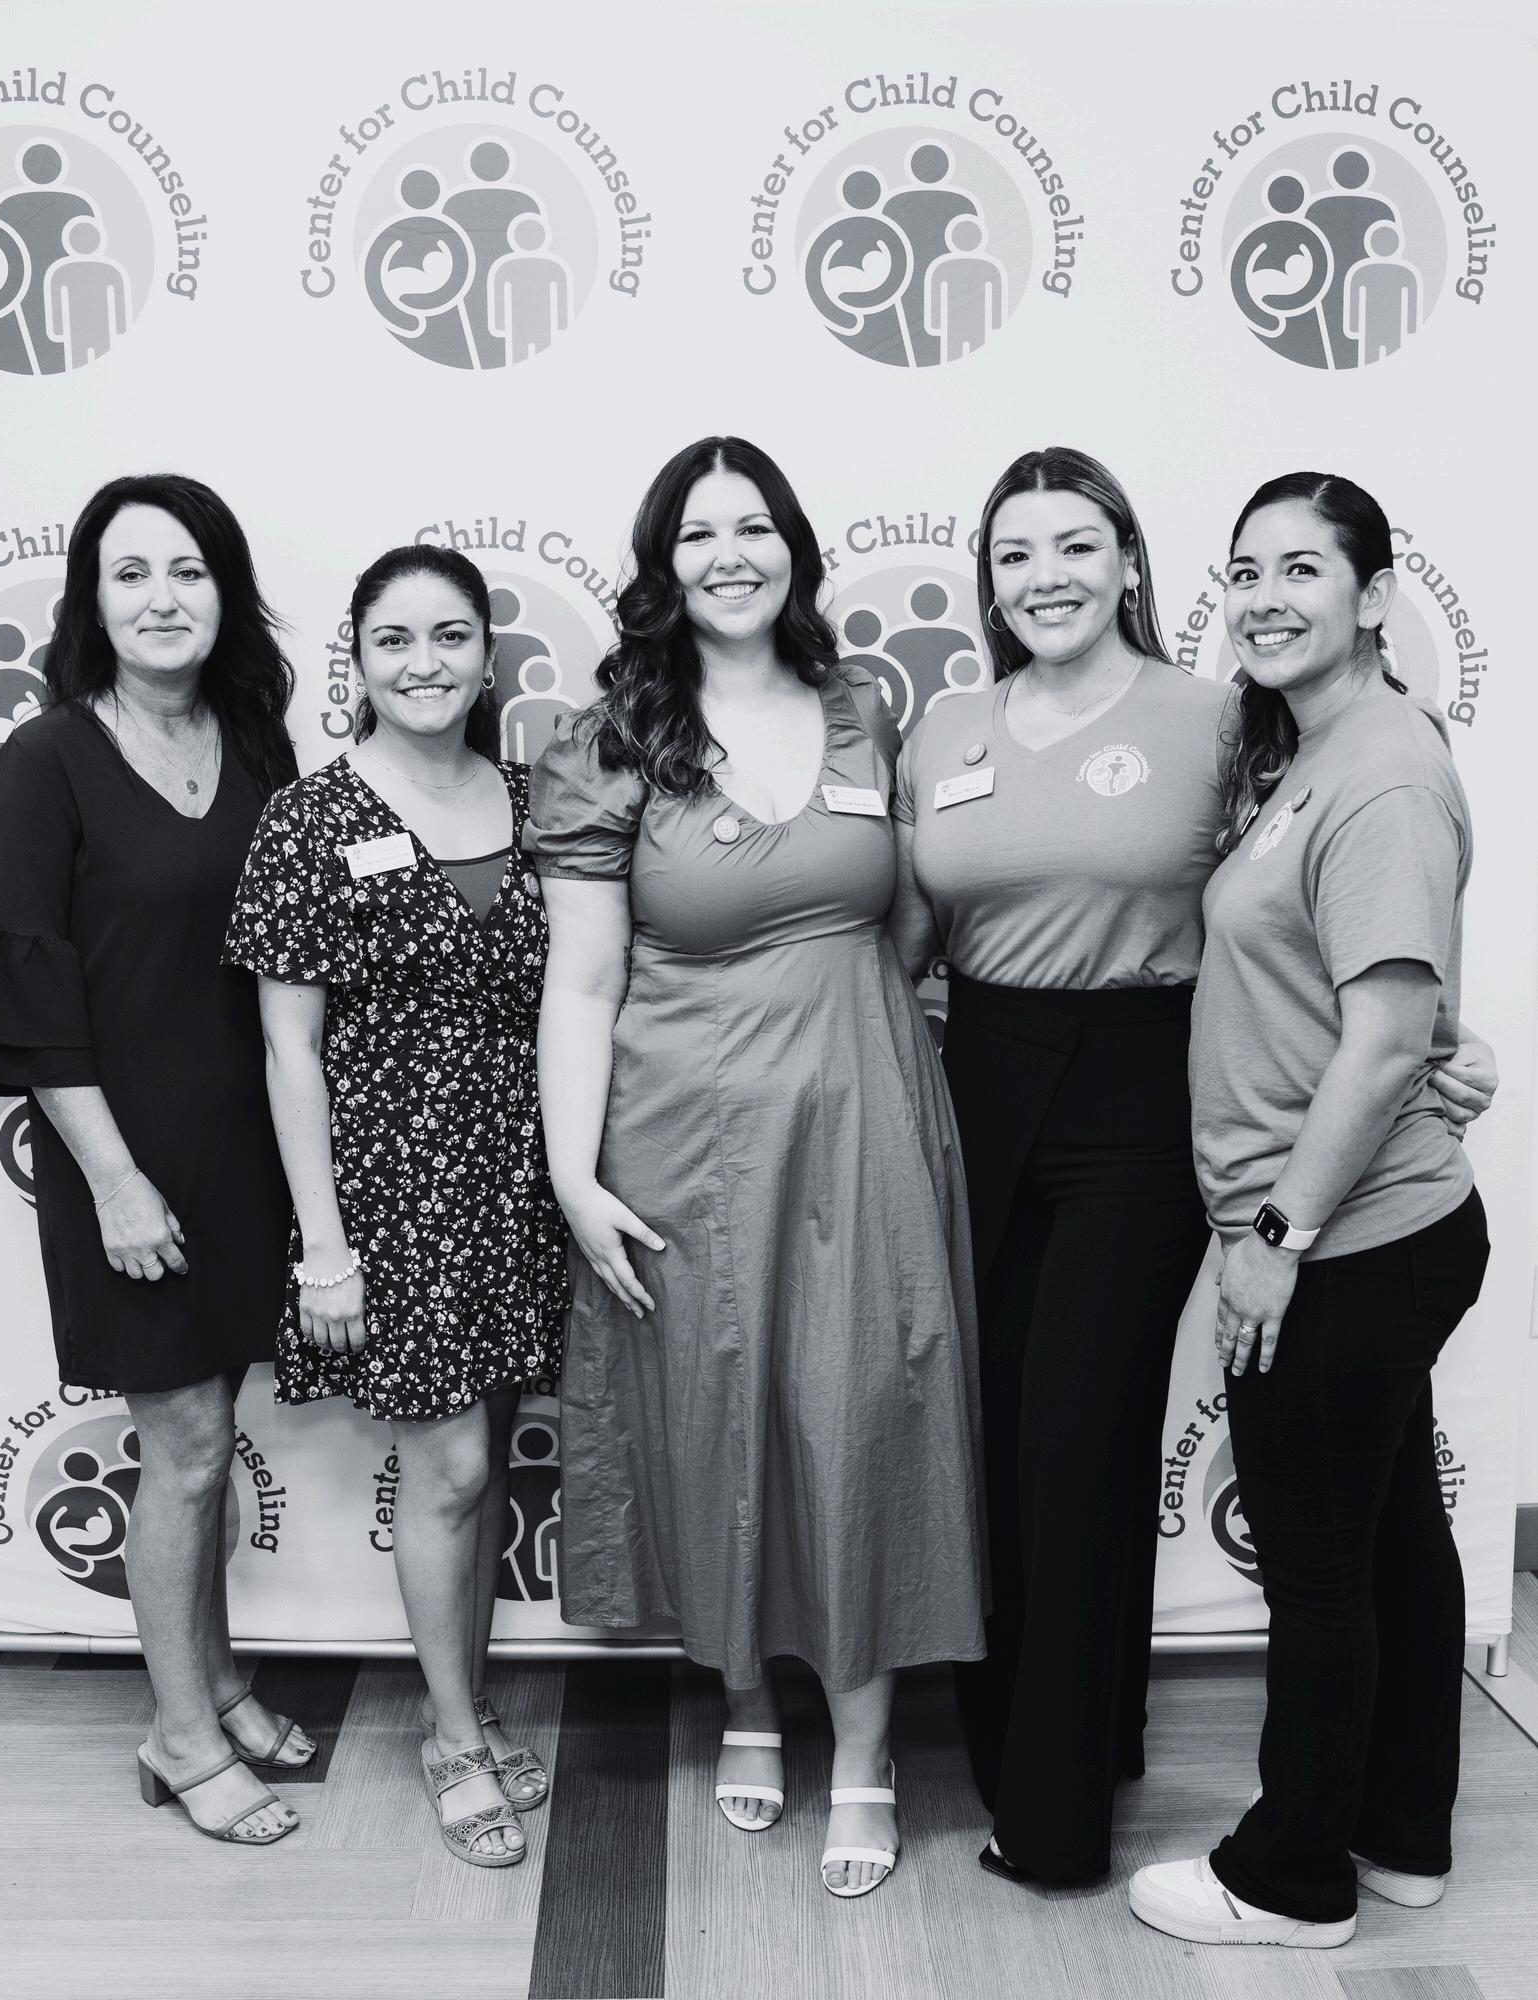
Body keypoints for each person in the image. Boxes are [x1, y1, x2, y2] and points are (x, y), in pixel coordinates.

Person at [888, 447, 1496, 1887]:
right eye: (1015, 551)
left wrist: (1431, 1039)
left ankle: (1056, 1827)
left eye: (1075, 545)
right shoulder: (944, 727)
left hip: (1143, 1095)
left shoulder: (1227, 718)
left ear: (1128, 565)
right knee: (1001, 1441)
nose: (1046, 576)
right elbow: (907, 945)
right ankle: (1065, 1749)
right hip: (981, 1085)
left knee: (1077, 1445)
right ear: (987, 580)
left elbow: (1332, 909)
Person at [527, 436, 983, 1900]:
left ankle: (865, 1751)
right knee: (715, 1413)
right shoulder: (609, 743)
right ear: (661, 567)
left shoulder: (865, 709)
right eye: (697, 533)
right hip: (686, 1137)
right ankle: (742, 1701)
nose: (729, 555)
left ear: (793, 547)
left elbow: (907, 920)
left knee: (863, 1416)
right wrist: (572, 1175)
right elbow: (581, 980)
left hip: (864, 1122)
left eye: (754, 527)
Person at [1129, 473, 1492, 1950]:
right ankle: (1402, 1833)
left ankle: (1289, 1879)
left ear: (1374, 594)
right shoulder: (1316, 751)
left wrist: (1275, 1237)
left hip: (1345, 1235)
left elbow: (1390, 1035)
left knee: (1322, 1564)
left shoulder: (1380, 769)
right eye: (1244, 571)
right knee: (1392, 1537)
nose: (1265, 597)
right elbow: (1374, 1000)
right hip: (1366, 1225)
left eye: (1302, 568)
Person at [0, 472, 304, 1845]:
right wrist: (111, 1179)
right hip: (124, 1158)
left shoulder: (256, 741)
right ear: (91, 602)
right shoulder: (47, 761)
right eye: (131, 572)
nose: (162, 598)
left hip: (245, 1152)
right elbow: (26, 987)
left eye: (189, 570)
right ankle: (176, 1735)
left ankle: (214, 1683)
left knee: (211, 1434)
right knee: (188, 1440)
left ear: (226, 593)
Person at [224, 545, 566, 1871]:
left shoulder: (537, 801)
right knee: (453, 1470)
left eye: (450, 635)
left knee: (486, 1465)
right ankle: (453, 1737)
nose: (425, 664)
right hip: (394, 1196)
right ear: (357, 663)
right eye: (394, 640)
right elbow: (288, 1050)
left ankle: (465, 1704)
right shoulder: (310, 817)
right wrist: (324, 1245)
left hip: (522, 1184)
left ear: (487, 655)